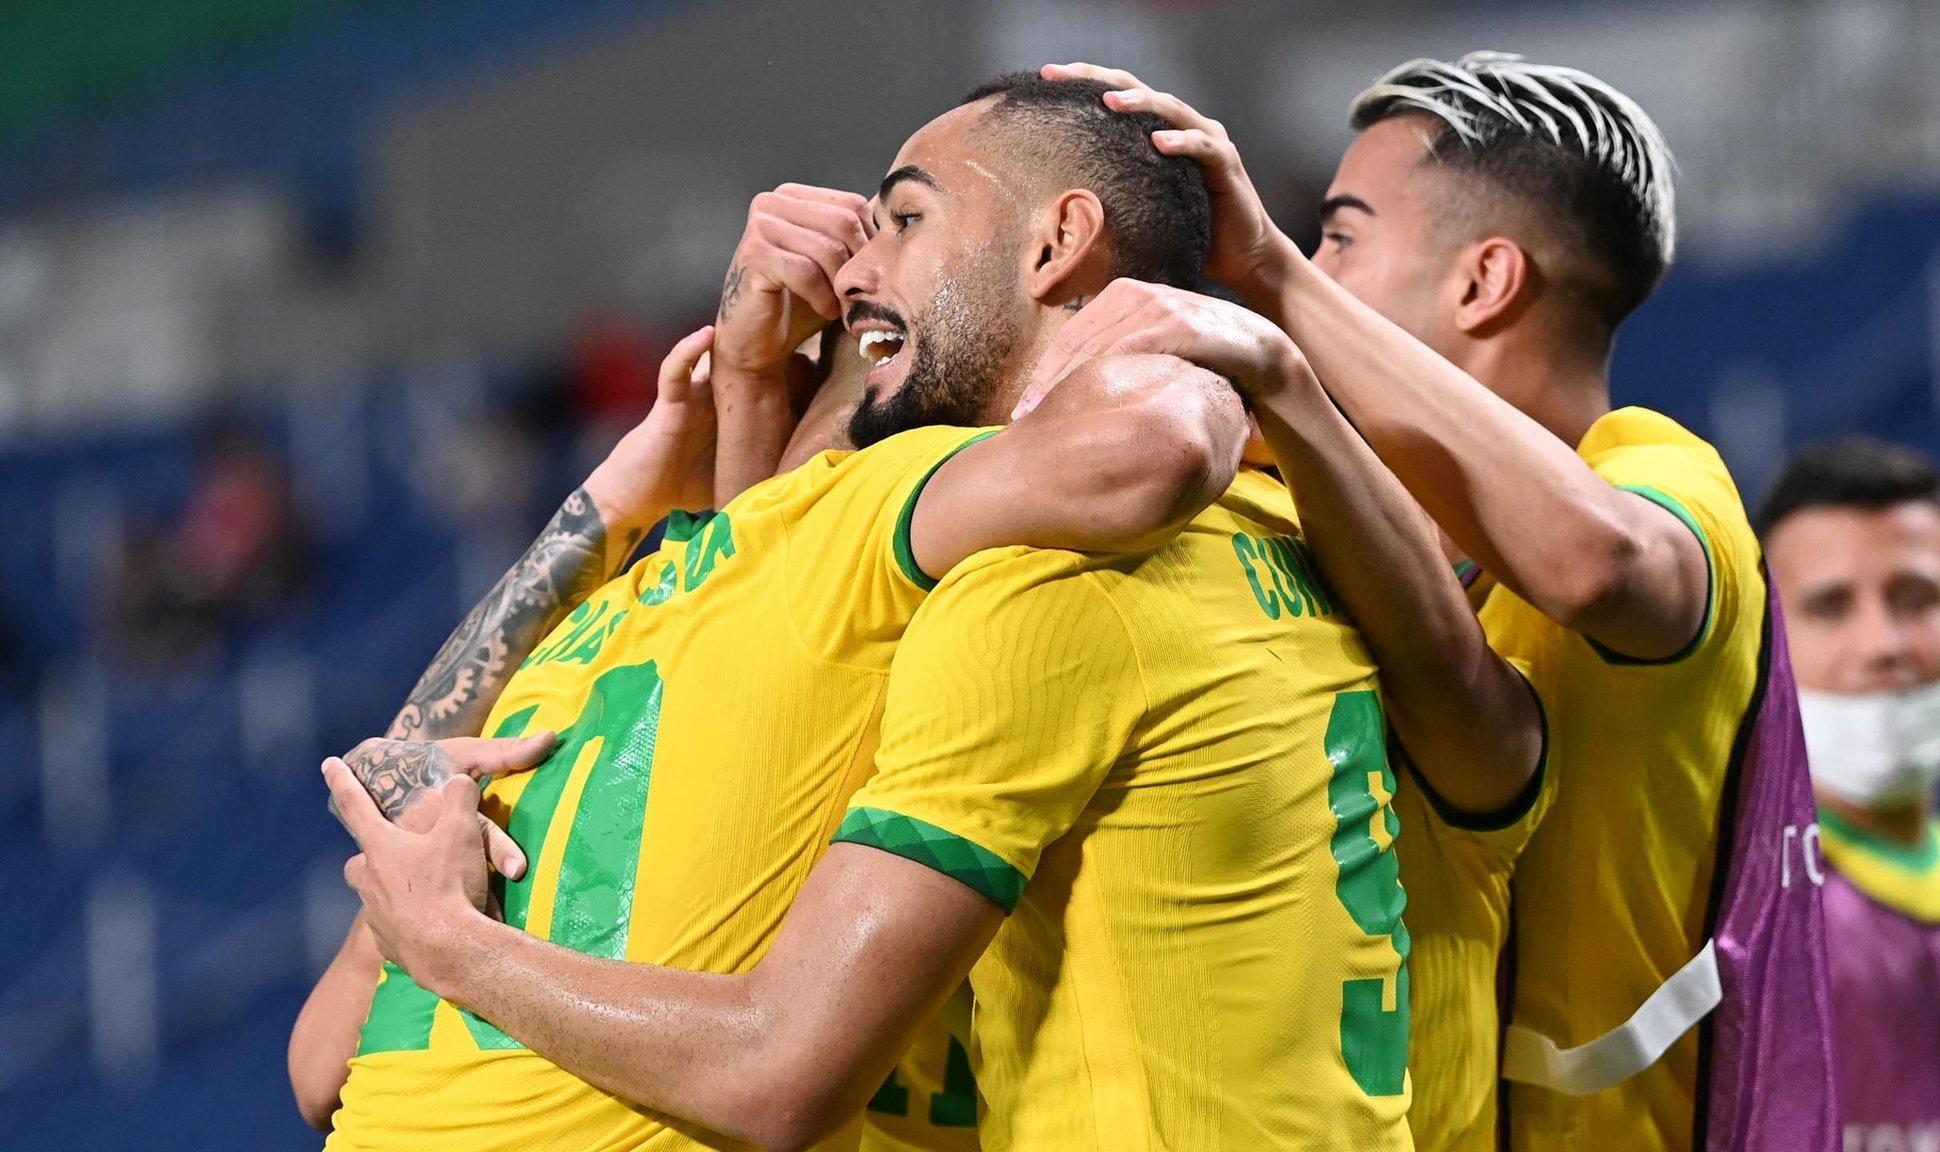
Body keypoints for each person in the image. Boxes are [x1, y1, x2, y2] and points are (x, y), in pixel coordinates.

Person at [323, 72, 1542, 1152]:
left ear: (1056, 242)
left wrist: (451, 943)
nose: (851, 271)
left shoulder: (1037, 586)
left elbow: (776, 1067)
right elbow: (775, 595)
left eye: (903, 220)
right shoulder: (1339, 554)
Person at [293, 146, 1252, 1150]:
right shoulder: (631, 602)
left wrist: (1239, 349)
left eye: (900, 230)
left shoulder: (858, 521)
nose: (849, 275)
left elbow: (1150, 449)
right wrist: (625, 488)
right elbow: (320, 1062)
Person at [1041, 52, 1835, 1151]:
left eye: (1338, 238)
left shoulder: (1657, 476)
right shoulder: (1325, 499)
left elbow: (1597, 563)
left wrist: (1275, 282)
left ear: (1483, 282)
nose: (1302, 266)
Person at [1760, 436, 1940, 1152]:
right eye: (1830, 606)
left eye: (1915, 599)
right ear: (1762, 648)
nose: (1882, 644)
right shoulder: (1715, 899)